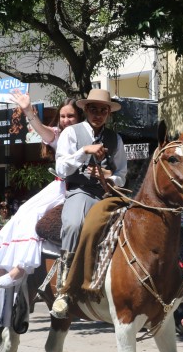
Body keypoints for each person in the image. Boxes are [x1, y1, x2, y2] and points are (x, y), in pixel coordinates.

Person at [0, 94, 82, 290]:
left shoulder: (87, 134)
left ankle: (21, 269)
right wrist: (28, 111)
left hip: (76, 188)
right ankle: (1, 270)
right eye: (62, 116)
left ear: (79, 117)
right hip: (59, 185)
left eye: (71, 116)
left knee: (34, 215)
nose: (66, 120)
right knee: (21, 213)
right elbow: (43, 131)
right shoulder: (59, 135)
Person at [50, 89, 126, 318]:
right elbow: (62, 168)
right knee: (74, 224)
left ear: (108, 113)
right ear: (85, 110)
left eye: (104, 110)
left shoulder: (115, 138)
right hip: (80, 191)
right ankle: (64, 288)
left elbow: (123, 173)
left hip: (108, 194)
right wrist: (84, 151)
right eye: (93, 109)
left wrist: (109, 175)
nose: (98, 114)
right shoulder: (71, 133)